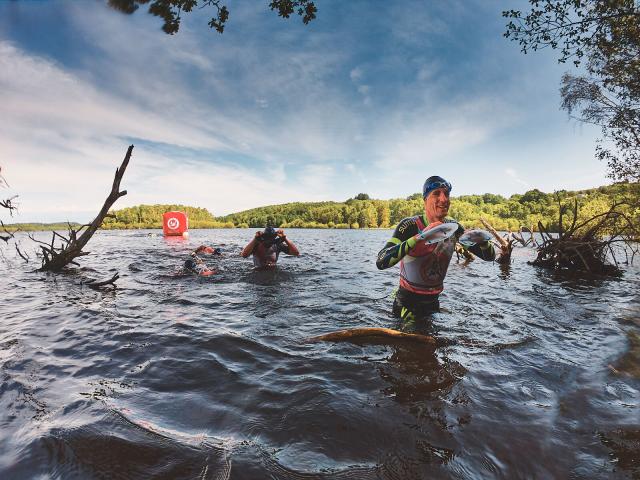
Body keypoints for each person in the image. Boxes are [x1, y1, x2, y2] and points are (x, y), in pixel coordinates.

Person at [376, 176, 498, 327]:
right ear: (425, 200)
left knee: (435, 346)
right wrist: (419, 237)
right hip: (407, 304)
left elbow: (489, 257)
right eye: (436, 193)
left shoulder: (453, 228)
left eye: (446, 194)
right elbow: (381, 261)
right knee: (409, 348)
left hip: (433, 303)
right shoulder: (410, 226)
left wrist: (483, 241)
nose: (444, 198)